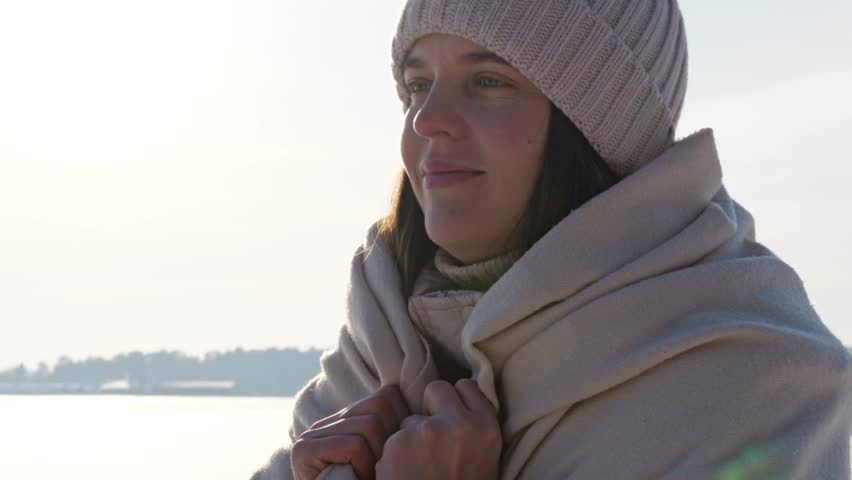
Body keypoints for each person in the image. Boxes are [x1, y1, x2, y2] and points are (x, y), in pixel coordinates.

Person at [252, 0, 852, 478]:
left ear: (595, 131)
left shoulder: (750, 391)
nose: (426, 119)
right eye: (417, 84)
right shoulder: (375, 355)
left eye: (489, 80)